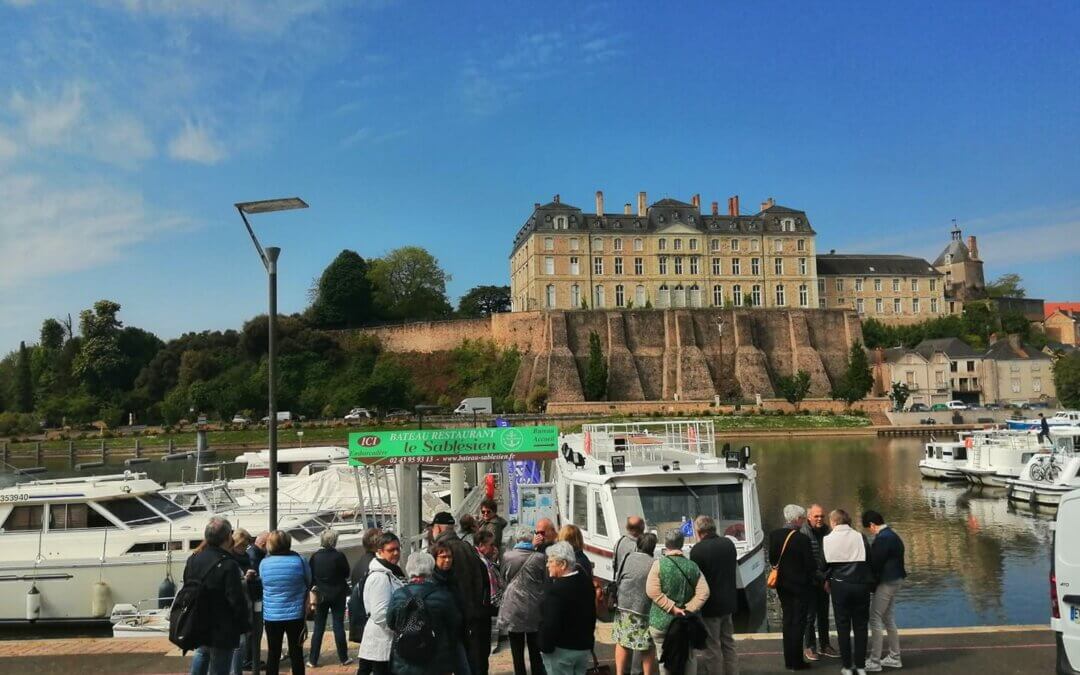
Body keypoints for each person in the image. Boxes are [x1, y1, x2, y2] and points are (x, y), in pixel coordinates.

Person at [186, 517, 250, 675]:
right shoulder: (228, 564)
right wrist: (244, 624)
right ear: (228, 537)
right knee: (219, 667)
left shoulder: (193, 559)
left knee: (201, 654)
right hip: (222, 626)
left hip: (199, 619)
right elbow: (235, 598)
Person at [429, 511, 491, 675]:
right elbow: (483, 578)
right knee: (474, 661)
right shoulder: (468, 547)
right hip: (474, 615)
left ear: (438, 528)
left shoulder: (437, 551)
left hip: (452, 617)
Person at [387, 551, 464, 675]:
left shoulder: (398, 595)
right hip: (436, 660)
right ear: (431, 569)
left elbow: (390, 622)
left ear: (408, 569)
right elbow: (455, 624)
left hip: (404, 660)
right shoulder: (443, 596)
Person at [646, 529, 709, 675]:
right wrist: (688, 609)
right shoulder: (692, 566)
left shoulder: (658, 565)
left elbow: (652, 591)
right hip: (686, 622)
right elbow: (704, 592)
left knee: (664, 658)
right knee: (689, 657)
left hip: (661, 622)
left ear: (666, 544)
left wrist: (672, 608)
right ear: (681, 544)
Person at [823, 509, 873, 675]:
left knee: (842, 626)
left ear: (834, 522)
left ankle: (847, 666)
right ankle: (860, 666)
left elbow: (824, 566)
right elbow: (869, 561)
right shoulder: (860, 536)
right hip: (860, 585)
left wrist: (826, 580)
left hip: (840, 586)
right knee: (860, 626)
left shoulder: (827, 539)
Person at [768, 505, 816, 671]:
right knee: (799, 623)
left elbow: (772, 559)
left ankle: (789, 659)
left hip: (782, 585)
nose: (803, 522)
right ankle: (797, 661)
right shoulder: (802, 539)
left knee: (787, 621)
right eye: (802, 518)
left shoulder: (774, 535)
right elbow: (810, 565)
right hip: (800, 587)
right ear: (797, 519)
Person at [690, 516, 739, 675]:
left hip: (710, 606)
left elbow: (696, 579)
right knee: (728, 643)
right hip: (729, 602)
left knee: (712, 646)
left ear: (698, 531)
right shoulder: (728, 544)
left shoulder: (697, 550)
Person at [539, 541, 597, 675]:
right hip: (583, 648)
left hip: (562, 651)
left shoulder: (557, 590)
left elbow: (550, 624)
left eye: (551, 561)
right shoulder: (586, 583)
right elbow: (592, 615)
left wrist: (544, 647)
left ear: (563, 564)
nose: (547, 565)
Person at [497, 525, 549, 675]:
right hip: (534, 607)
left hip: (513, 607)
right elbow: (544, 580)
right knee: (535, 650)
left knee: (517, 651)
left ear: (517, 539)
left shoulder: (507, 556)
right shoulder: (540, 557)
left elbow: (503, 579)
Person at [259, 530, 311, 675]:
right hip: (295, 614)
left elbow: (262, 583)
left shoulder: (264, 563)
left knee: (273, 654)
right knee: (296, 654)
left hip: (272, 615)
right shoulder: (300, 561)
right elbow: (308, 581)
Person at [862, 510, 907, 672]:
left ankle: (874, 661)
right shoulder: (893, 535)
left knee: (875, 618)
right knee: (888, 617)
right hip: (897, 579)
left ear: (873, 525)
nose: (870, 532)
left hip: (887, 582)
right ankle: (895, 656)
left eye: (869, 529)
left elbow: (875, 564)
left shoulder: (882, 539)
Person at [359, 532, 407, 675]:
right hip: (382, 641)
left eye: (398, 549)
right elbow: (380, 614)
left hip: (383, 640)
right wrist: (399, 629)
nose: (396, 553)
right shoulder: (380, 577)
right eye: (391, 550)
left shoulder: (392, 572)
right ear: (380, 552)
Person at [613, 533, 659, 675]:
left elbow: (618, 578)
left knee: (623, 642)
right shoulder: (655, 563)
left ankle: (620, 673)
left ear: (638, 544)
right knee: (646, 646)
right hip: (644, 609)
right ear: (653, 547)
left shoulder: (627, 558)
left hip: (624, 606)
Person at [307, 530, 353, 668]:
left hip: (321, 595)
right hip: (338, 593)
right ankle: (344, 658)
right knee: (338, 625)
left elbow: (311, 576)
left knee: (318, 627)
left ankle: (313, 659)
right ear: (334, 541)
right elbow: (346, 573)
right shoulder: (339, 556)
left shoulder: (315, 557)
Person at [799, 504, 838, 661]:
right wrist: (821, 577)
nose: (820, 519)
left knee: (823, 615)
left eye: (822, 516)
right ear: (809, 517)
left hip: (824, 580)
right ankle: (809, 646)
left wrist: (828, 577)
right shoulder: (802, 533)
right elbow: (805, 562)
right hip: (809, 581)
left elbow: (834, 556)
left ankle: (825, 645)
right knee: (810, 616)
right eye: (816, 516)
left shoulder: (829, 532)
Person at [228, 529, 258, 675]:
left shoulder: (245, 556)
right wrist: (245, 578)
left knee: (245, 639)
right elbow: (232, 583)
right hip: (238, 603)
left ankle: (241, 665)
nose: (245, 549)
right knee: (239, 642)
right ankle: (237, 670)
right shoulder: (230, 559)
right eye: (243, 545)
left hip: (248, 599)